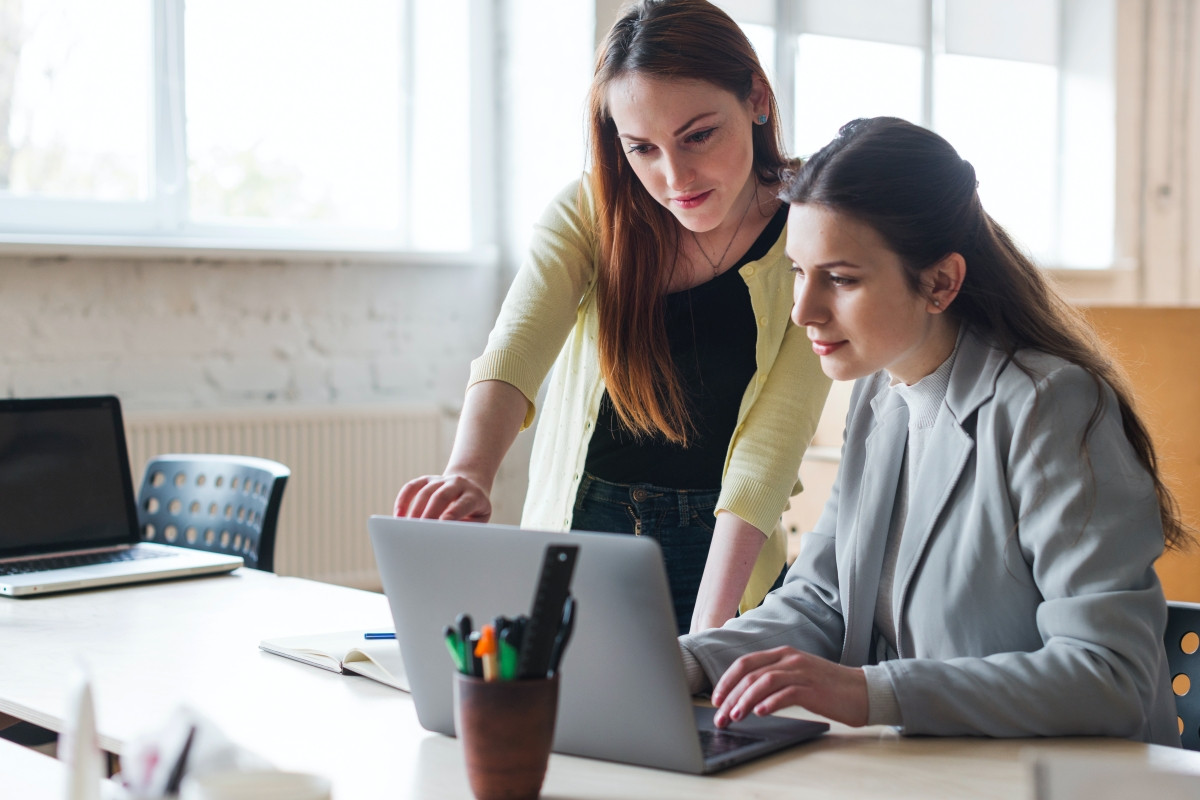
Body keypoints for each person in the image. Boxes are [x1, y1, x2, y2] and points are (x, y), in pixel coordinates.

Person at [679, 116, 1191, 745]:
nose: (803, 311)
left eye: (840, 278)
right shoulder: (879, 392)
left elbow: (1110, 675)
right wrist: (690, 660)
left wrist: (871, 694)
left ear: (942, 282)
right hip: (926, 771)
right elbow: (821, 600)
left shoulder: (1048, 406)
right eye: (797, 272)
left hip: (1054, 781)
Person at [393, 0, 830, 635]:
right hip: (581, 521)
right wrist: (469, 474)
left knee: (700, 722)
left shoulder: (812, 231)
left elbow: (773, 445)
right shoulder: (591, 209)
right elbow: (516, 351)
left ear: (757, 99)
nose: (674, 176)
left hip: (723, 545)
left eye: (699, 135)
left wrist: (712, 627)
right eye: (642, 148)